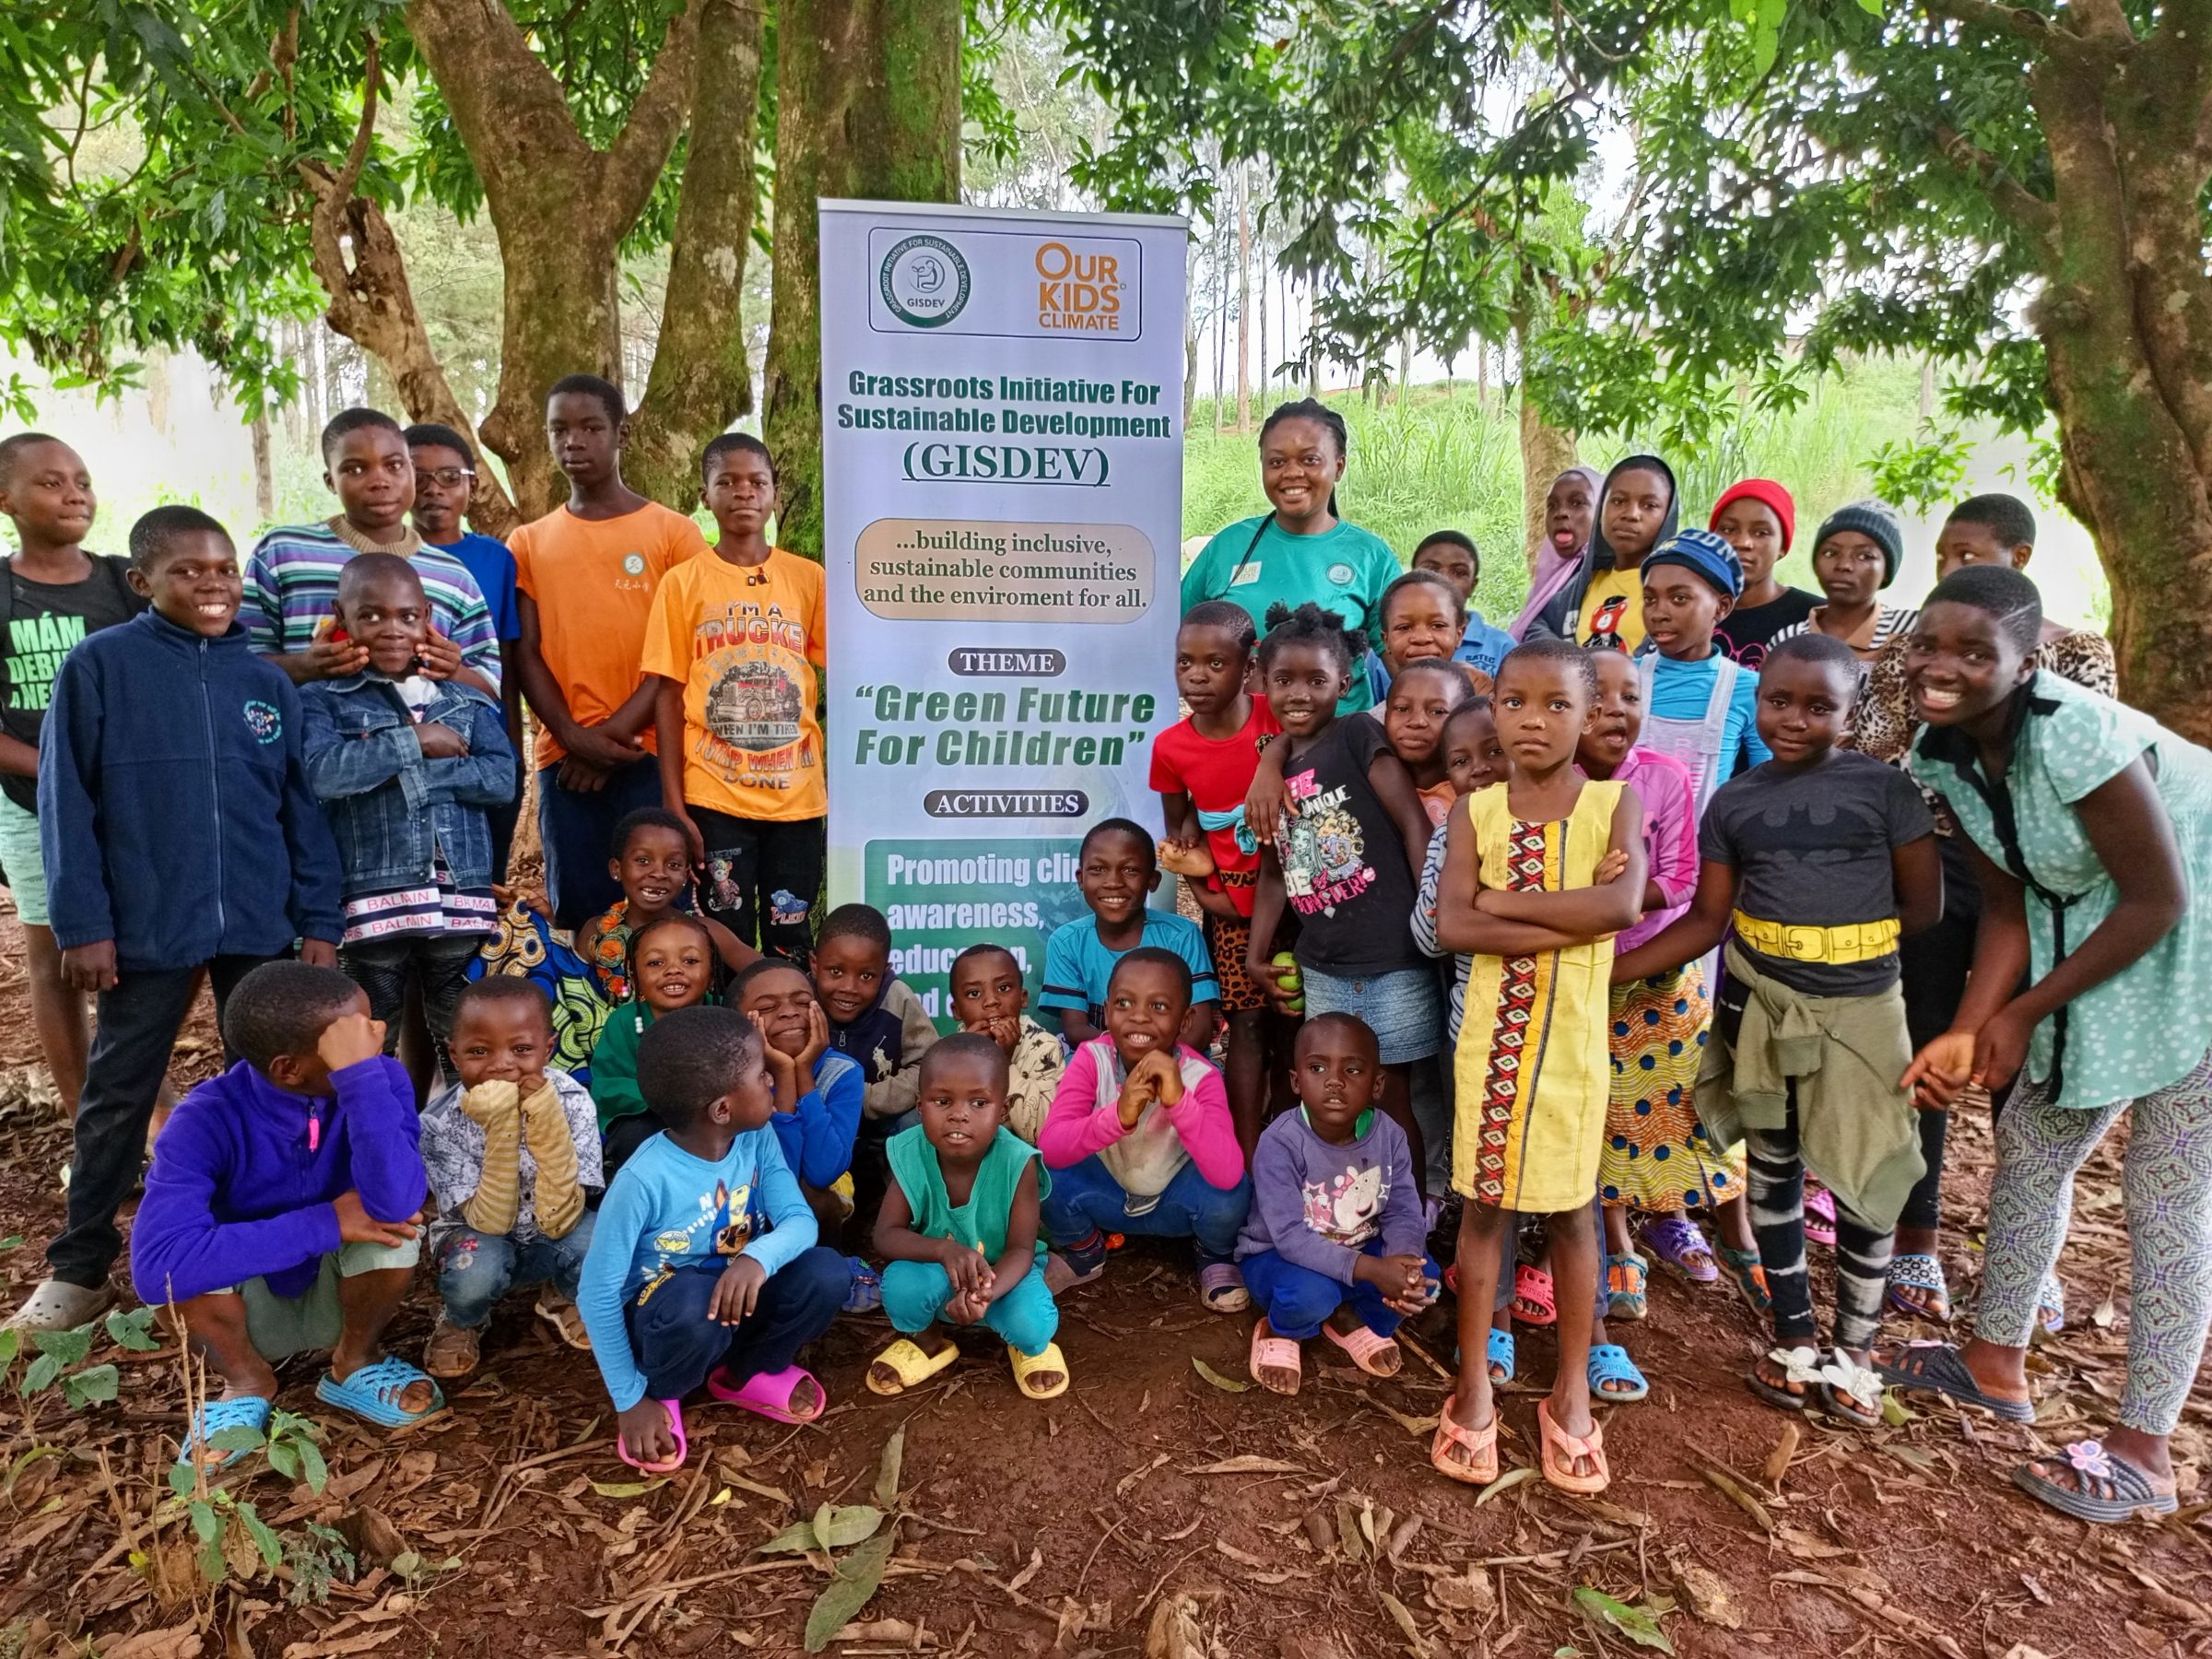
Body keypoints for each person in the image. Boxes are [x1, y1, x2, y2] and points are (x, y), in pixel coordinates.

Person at [1881, 566, 2212, 1524]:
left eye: (1975, 652)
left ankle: (2145, 1450)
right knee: (2033, 1139)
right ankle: (1993, 1361)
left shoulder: (2080, 734)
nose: (1942, 666)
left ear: (2028, 665)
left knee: (2169, 1189)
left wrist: (2018, 1018)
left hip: (2187, 936)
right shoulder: (1942, 747)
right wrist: (1969, 1024)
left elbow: (2161, 898)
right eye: (1928, 645)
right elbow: (2008, 900)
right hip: (2107, 935)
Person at [6, 508, 343, 1333]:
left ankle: (267, 1247)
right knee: (119, 1089)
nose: (213, 584)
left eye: (224, 569)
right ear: (140, 582)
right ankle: (79, 1266)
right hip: (147, 923)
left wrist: (320, 920)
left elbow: (302, 811)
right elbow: (65, 804)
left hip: (260, 925)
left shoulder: (264, 682)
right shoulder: (101, 667)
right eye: (189, 570)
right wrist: (83, 922)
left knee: (271, 1088)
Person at [1615, 633, 1940, 1430]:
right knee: (1773, 1165)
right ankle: (1795, 1337)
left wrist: (1840, 955)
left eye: (1819, 705)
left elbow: (1923, 906)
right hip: (1760, 1007)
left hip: (1864, 1011)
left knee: (1869, 1174)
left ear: (1851, 707)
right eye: (1779, 702)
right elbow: (1708, 920)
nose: (1795, 719)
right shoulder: (1737, 802)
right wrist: (1607, 976)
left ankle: (1856, 1351)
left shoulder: (1886, 793)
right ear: (1756, 703)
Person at [1853, 496, 2113, 1324]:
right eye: (1945, 555)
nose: (1952, 569)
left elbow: (2085, 773)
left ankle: (2023, 1257)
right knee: (1925, 1036)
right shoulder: (1905, 652)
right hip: (1929, 861)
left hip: (2039, 876)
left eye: (1971, 555)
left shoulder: (2079, 653)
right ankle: (1916, 1241)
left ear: (2020, 558)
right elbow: (1871, 751)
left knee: (2022, 1059)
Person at [1431, 640, 1645, 1495]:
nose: (1532, 719)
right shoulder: (1473, 815)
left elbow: (1623, 907)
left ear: (1589, 715)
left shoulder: (1614, 804)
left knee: (1572, 1216)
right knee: (1485, 1209)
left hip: (1575, 1054)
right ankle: (1476, 1383)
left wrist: (1501, 903)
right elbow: (1454, 928)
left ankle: (1568, 1397)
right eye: (1514, 702)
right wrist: (1572, 915)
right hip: (1493, 1046)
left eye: (1557, 704)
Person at [127, 964, 443, 1465]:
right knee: (180, 1272)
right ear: (289, 1069)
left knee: (396, 1227)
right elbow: (156, 1270)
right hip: (245, 1307)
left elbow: (398, 1201)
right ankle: (246, 1382)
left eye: (366, 1025)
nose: (376, 1036)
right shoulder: (204, 1120)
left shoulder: (378, 1079)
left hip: (335, 1290)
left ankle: (353, 1363)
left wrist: (361, 1080)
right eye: (350, 1040)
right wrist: (325, 1223)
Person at [576, 1005, 850, 1473]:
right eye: (762, 1073)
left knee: (827, 1272)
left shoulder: (757, 1138)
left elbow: (799, 1221)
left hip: (736, 1296)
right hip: (669, 1314)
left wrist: (757, 1259)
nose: (770, 1081)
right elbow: (596, 1295)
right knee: (690, 1301)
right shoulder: (643, 1180)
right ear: (722, 1109)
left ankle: (746, 1371)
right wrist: (630, 1399)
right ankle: (665, 1392)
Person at [1578, 649, 1761, 1319]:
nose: (1616, 710)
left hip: (1656, 970)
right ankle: (1618, 1239)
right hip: (1577, 974)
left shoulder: (1666, 777)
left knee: (1689, 1100)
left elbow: (1682, 880)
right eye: (1596, 696)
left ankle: (1730, 1227)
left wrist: (1618, 896)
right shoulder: (1549, 785)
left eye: (1630, 697)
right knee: (1605, 1114)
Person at [300, 555, 516, 1094]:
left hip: (459, 896)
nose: (391, 630)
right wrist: (416, 743)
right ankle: (378, 1150)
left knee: (462, 1032)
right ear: (341, 617)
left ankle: (468, 1152)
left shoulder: (465, 698)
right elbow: (324, 774)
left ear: (426, 618)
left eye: (405, 616)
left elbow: (501, 780)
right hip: (374, 898)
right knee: (372, 1030)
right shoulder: (323, 700)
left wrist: (397, 769)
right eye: (370, 616)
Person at [1246, 604, 1440, 1191]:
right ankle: (1346, 1200)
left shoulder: (1357, 735)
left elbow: (1413, 824)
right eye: (1283, 680)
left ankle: (1410, 1208)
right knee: (1337, 1095)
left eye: (1316, 680)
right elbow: (1276, 872)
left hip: (1393, 956)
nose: (1298, 693)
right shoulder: (1273, 766)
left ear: (1346, 683)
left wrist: (1432, 918)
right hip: (1324, 964)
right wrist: (1258, 955)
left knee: (1394, 1093)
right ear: (1261, 682)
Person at [510, 375, 710, 929]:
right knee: (581, 913)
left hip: (652, 753)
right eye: (559, 430)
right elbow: (525, 652)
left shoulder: (675, 534)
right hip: (565, 761)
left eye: (590, 428)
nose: (573, 441)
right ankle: (587, 1017)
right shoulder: (529, 541)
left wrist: (611, 736)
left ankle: (670, 1018)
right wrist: (576, 739)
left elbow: (685, 653)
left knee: (665, 913)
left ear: (621, 433)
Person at [0, 433, 146, 1120]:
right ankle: (86, 1115)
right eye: (51, 483)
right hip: (30, 804)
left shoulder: (123, 583)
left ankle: (134, 1086)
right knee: (55, 956)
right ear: (6, 500)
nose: (74, 494)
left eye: (81, 480)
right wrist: (62, 776)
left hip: (126, 803)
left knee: (143, 948)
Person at [644, 433, 826, 964]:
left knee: (792, 934)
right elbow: (668, 695)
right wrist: (676, 806)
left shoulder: (807, 579)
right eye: (727, 481)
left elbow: (845, 671)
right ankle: (726, 1044)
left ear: (773, 493)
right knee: (723, 934)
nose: (743, 492)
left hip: (796, 797)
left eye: (756, 482)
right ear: (705, 496)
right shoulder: (684, 584)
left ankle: (792, 1037)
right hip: (715, 796)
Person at [1038, 947, 1253, 1312]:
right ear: (1107, 1011)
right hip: (1106, 1196)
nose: (1138, 1017)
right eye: (1124, 1003)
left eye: (1158, 1007)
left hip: (1177, 1203)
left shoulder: (1202, 1076)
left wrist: (1179, 1101)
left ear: (1185, 1022)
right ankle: (1084, 1251)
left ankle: (1214, 1255)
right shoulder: (1091, 1060)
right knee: (1040, 1174)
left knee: (1234, 1193)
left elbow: (1228, 1172)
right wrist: (1118, 1117)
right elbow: (1052, 1147)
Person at [1238, 1015, 1435, 1394]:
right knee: (1312, 1295)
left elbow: (1403, 1209)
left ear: (1377, 1085)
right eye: (1317, 1067)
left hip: (1358, 1250)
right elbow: (1291, 1238)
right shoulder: (1281, 1143)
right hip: (1279, 1259)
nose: (1334, 1081)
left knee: (1424, 1280)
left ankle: (1348, 1319)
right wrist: (1373, 1269)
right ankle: (1281, 1328)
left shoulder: (1389, 1136)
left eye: (1353, 1070)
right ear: (1296, 1081)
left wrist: (1403, 1262)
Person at [244, 408, 500, 697]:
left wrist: (452, 670)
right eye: (355, 469)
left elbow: (490, 685)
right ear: (331, 482)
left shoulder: (453, 576)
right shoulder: (285, 554)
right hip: (309, 739)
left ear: (412, 472)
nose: (380, 481)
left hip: (427, 740)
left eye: (394, 466)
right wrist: (304, 666)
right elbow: (234, 662)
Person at [866, 1033, 1066, 1400]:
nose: (959, 1114)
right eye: (942, 1101)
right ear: (920, 1106)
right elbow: (886, 1235)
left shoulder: (1017, 1162)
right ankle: (928, 1343)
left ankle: (1024, 1346)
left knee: (1032, 1325)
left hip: (1003, 1277)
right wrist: (945, 1252)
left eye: (978, 1102)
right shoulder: (911, 1153)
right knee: (900, 1285)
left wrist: (987, 1294)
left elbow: (1021, 1251)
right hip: (938, 1276)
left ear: (1002, 1111)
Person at [418, 979, 600, 1377]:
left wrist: (546, 1119)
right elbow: (488, 1220)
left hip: (554, 1227)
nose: (501, 1065)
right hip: (477, 1234)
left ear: (548, 1049)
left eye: (521, 1050)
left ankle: (562, 1294)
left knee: (599, 1244)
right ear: (454, 1054)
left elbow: (571, 1202)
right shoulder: (437, 1124)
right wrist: (501, 1125)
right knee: (474, 1273)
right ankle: (464, 1319)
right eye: (479, 1051)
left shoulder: (572, 1101)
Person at [1153, 600, 1281, 1156]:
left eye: (1215, 664)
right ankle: (1246, 1154)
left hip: (1299, 903)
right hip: (1231, 916)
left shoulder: (1274, 717)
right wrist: (1210, 895)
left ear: (1248, 667)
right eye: (1185, 664)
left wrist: (1270, 765)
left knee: (1297, 1026)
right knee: (1248, 1026)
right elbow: (1181, 834)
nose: (1197, 677)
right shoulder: (1171, 747)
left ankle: (1296, 1143)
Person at [1179, 400, 1399, 714]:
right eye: (1277, 462)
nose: (1292, 473)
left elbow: (1404, 664)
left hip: (1338, 750)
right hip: (1239, 749)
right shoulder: (1229, 546)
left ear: (1338, 466)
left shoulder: (1370, 557)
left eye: (1310, 459)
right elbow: (1175, 635)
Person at [406, 422, 527, 883]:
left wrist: (513, 754)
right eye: (418, 477)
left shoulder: (496, 558)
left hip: (482, 747)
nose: (432, 490)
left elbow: (508, 665)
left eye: (449, 477)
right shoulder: (382, 557)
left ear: (472, 485)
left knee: (481, 880)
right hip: (408, 744)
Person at [1040, 818, 1218, 1049]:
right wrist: (1128, 1060)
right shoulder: (1066, 942)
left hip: (1176, 1063)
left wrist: (1147, 1062)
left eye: (1130, 870)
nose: (1113, 882)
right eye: (1098, 869)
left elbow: (1199, 1031)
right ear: (1081, 879)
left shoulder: (1181, 936)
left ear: (1152, 881)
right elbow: (1076, 1031)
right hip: (1102, 1063)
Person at [728, 959, 865, 1234]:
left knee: (812, 1193)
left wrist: (800, 1072)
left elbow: (822, 1171)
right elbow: (774, 1175)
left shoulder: (843, 1072)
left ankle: (823, 1268)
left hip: (816, 1197)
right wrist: (781, 1072)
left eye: (802, 1002)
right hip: (744, 1193)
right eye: (767, 1007)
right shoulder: (729, 1077)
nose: (789, 1012)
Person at [580, 806, 759, 1004]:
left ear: (686, 874)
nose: (659, 873)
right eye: (643, 860)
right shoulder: (595, 933)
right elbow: (570, 992)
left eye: (673, 865)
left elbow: (769, 972)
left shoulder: (705, 931)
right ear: (617, 869)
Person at [591, 912, 720, 1174]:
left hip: (716, 1116)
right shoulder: (625, 1021)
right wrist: (671, 1100)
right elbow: (609, 1085)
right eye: (655, 963)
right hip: (648, 1118)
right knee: (634, 1136)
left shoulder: (724, 1015)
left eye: (690, 960)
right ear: (634, 972)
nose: (673, 970)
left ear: (712, 971)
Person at [1525, 456, 1679, 651]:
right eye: (1618, 501)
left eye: (1649, 505)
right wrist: (1568, 659)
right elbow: (1536, 622)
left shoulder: (1677, 592)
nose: (1631, 514)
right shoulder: (1583, 584)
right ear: (1601, 510)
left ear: (1668, 516)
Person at [815, 902, 936, 1127]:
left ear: (885, 970)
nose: (849, 987)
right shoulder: (802, 1001)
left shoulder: (898, 998)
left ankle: (892, 1160)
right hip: (819, 1114)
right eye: (836, 971)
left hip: (883, 1117)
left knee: (918, 1121)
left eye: (867, 976)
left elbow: (930, 1065)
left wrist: (867, 1098)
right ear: (814, 964)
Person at [1771, 500, 1917, 665]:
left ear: (1886, 570)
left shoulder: (1912, 632)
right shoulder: (1787, 641)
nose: (1844, 565)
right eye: (1830, 553)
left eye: (1865, 556)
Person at [947, 943, 1065, 1145]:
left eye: (1003, 988)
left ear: (1023, 998)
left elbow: (1040, 1132)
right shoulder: (947, 1054)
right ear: (956, 1010)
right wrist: (970, 1060)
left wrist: (1003, 1062)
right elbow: (945, 1123)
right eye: (974, 993)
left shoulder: (1045, 1047)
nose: (992, 1001)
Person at [1709, 479, 1815, 666]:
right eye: (1728, 529)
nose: (1743, 542)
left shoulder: (1811, 618)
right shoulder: (1693, 607)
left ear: (1782, 546)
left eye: (1761, 532)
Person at [1365, 569, 1493, 711]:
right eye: (1404, 627)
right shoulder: (1373, 724)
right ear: (1385, 640)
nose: (1421, 638)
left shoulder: (1481, 698)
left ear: (1459, 635)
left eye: (1438, 625)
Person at [1508, 466, 1604, 640]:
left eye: (1577, 503)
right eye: (1552, 505)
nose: (1561, 513)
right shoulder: (1549, 581)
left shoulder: (1612, 574)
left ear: (1602, 511)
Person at [1410, 530, 1515, 679]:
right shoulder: (1391, 645)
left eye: (1459, 572)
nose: (1444, 580)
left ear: (1473, 586)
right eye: (1431, 570)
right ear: (1411, 577)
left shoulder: (1501, 646)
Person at [1382, 658, 1472, 827]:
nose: (1417, 721)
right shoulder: (1375, 788)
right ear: (1386, 716)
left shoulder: (1474, 790)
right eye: (1402, 709)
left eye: (1437, 711)